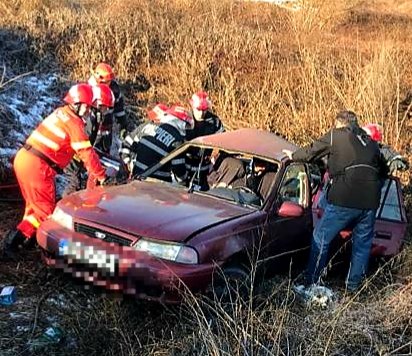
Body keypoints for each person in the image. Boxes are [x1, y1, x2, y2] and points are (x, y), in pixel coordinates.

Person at [284, 110, 388, 292]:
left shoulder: (336, 136)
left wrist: (293, 156)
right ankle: (353, 289)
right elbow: (384, 170)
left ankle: (311, 283)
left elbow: (312, 151)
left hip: (344, 198)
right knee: (361, 247)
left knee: (320, 238)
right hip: (370, 203)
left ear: (340, 124)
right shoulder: (371, 143)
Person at [2, 84, 107, 257]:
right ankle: (21, 246)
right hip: (38, 167)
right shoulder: (74, 122)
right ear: (77, 104)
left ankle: (24, 241)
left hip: (25, 159)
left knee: (34, 209)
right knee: (45, 213)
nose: (88, 111)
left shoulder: (61, 113)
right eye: (87, 107)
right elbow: (86, 152)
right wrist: (102, 176)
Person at [62, 83, 115, 196]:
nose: (106, 111)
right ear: (98, 103)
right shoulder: (89, 118)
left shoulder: (95, 116)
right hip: (72, 155)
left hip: (77, 154)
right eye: (104, 107)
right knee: (74, 182)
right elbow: (83, 145)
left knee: (78, 182)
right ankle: (64, 208)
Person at [125, 104, 194, 182]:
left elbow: (127, 143)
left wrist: (127, 162)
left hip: (136, 179)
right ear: (182, 124)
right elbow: (179, 172)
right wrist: (185, 179)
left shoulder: (148, 125)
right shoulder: (178, 141)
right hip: (158, 186)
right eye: (187, 127)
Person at [185, 91, 224, 190]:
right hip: (184, 166)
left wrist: (216, 159)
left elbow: (224, 142)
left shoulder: (214, 121)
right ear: (192, 106)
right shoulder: (185, 119)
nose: (202, 113)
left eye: (204, 109)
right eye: (199, 109)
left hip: (204, 168)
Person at [88, 62, 130, 151]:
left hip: (106, 127)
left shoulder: (114, 89)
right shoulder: (89, 90)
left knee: (105, 151)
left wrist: (123, 125)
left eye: (109, 81)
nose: (108, 84)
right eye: (106, 82)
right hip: (90, 127)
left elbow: (119, 109)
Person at [119, 103, 168, 174]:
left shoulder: (164, 133)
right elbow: (127, 142)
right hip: (136, 167)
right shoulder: (145, 126)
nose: (153, 121)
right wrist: (127, 161)